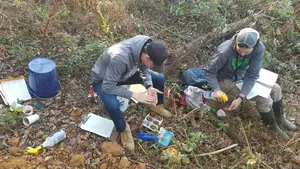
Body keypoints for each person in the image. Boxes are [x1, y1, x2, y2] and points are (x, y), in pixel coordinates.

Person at [205, 28, 297, 140]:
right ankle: (272, 126)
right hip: (225, 79)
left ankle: (280, 119)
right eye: (239, 50)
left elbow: (252, 74)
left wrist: (241, 97)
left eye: (247, 52)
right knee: (264, 98)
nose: (243, 54)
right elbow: (209, 72)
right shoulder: (224, 51)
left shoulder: (259, 49)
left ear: (254, 47)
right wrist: (216, 89)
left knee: (276, 89)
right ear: (236, 43)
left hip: (243, 75)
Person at [91, 35, 172, 151]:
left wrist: (149, 86)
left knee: (158, 78)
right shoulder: (121, 58)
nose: (152, 67)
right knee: (113, 105)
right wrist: (134, 94)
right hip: (103, 79)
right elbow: (108, 86)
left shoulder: (146, 45)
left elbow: (144, 68)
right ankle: (123, 128)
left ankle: (156, 106)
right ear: (147, 57)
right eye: (153, 64)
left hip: (125, 73)